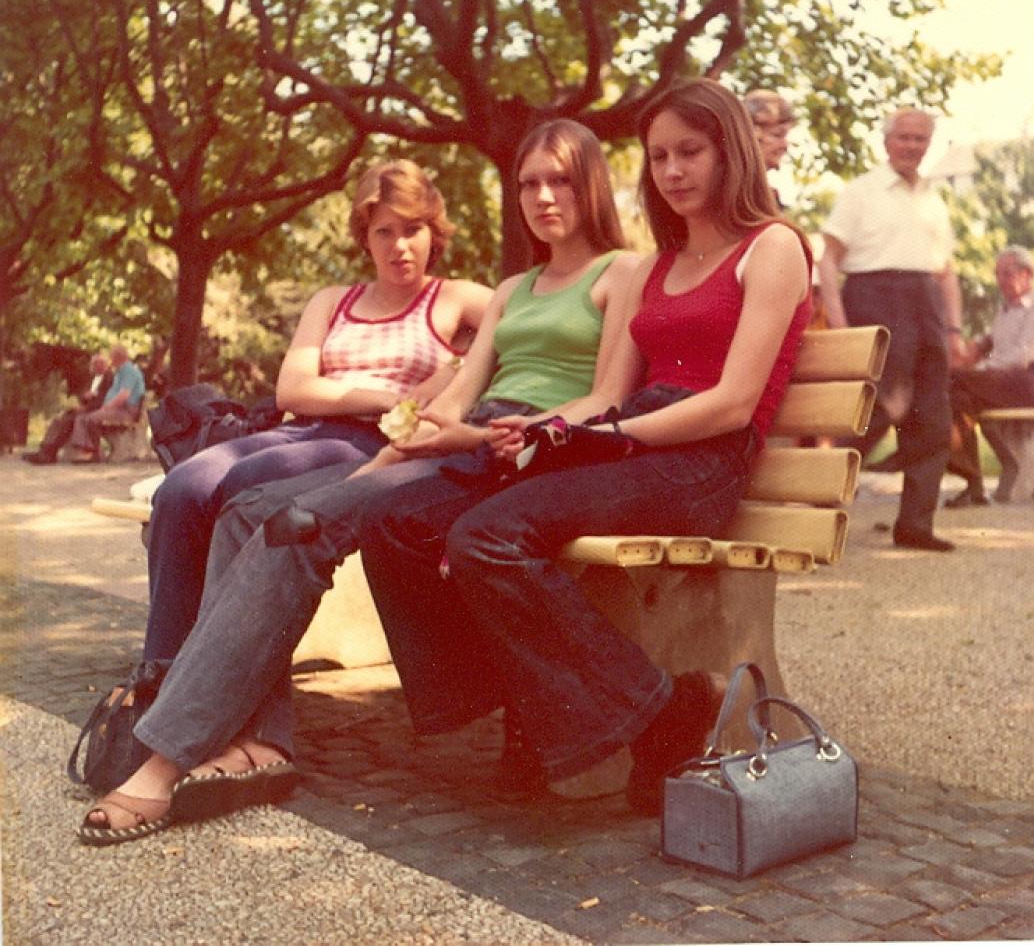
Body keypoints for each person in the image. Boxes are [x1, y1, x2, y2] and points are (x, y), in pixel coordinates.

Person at [78, 120, 637, 844]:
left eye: (559, 180)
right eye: (529, 182)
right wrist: (398, 450)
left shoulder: (622, 273)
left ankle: (161, 763)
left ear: (591, 184)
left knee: (301, 525)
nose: (542, 196)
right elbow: (458, 397)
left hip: (527, 452)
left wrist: (493, 433)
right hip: (455, 445)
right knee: (252, 510)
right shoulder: (514, 288)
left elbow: (607, 398)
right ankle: (260, 745)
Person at [353, 78, 813, 817]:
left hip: (705, 462)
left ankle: (631, 716)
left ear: (730, 151)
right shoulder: (660, 264)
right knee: (407, 523)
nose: (672, 171)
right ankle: (624, 709)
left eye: (690, 152)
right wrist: (552, 431)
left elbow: (732, 402)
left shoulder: (774, 247)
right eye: (659, 157)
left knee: (487, 537)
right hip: (632, 446)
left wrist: (612, 435)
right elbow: (611, 391)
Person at [135, 160, 491, 664]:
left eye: (413, 229)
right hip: (302, 431)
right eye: (384, 231)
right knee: (182, 488)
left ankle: (216, 672)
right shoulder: (333, 301)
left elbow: (523, 324)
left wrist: (454, 372)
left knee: (248, 483)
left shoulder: (452, 297)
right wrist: (389, 396)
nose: (400, 245)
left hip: (373, 444)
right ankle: (162, 666)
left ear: (434, 232)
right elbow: (294, 390)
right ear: (364, 237)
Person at [817, 107, 963, 552]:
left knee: (932, 418)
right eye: (904, 137)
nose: (912, 146)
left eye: (920, 139)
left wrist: (955, 329)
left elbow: (946, 271)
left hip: (926, 304)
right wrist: (839, 323)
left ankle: (915, 525)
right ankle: (814, 512)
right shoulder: (860, 192)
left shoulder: (933, 199)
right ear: (886, 142)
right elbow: (828, 259)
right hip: (874, 299)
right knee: (875, 410)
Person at [945, 245, 1034, 507]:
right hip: (1005, 382)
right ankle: (973, 483)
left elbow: (1023, 356)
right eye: (997, 274)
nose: (1000, 280)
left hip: (1029, 381)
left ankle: (969, 478)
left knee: (953, 379)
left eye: (1007, 273)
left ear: (1027, 274)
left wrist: (980, 369)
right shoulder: (1005, 309)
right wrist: (978, 350)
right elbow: (994, 343)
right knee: (958, 399)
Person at [23, 353, 112, 464]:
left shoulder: (109, 378)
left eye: (101, 363)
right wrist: (84, 396)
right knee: (58, 420)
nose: (97, 366)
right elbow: (82, 395)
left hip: (97, 411)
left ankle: (49, 454)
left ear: (106, 364)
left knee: (68, 420)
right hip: (86, 408)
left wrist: (86, 408)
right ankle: (45, 450)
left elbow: (105, 399)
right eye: (95, 363)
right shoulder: (92, 378)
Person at [66, 344, 146, 463]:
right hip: (119, 409)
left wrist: (108, 406)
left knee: (91, 419)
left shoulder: (129, 371)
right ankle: (92, 452)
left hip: (126, 410)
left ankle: (94, 454)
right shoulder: (120, 372)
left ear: (118, 357)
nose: (110, 360)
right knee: (86, 418)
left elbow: (124, 395)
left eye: (111, 357)